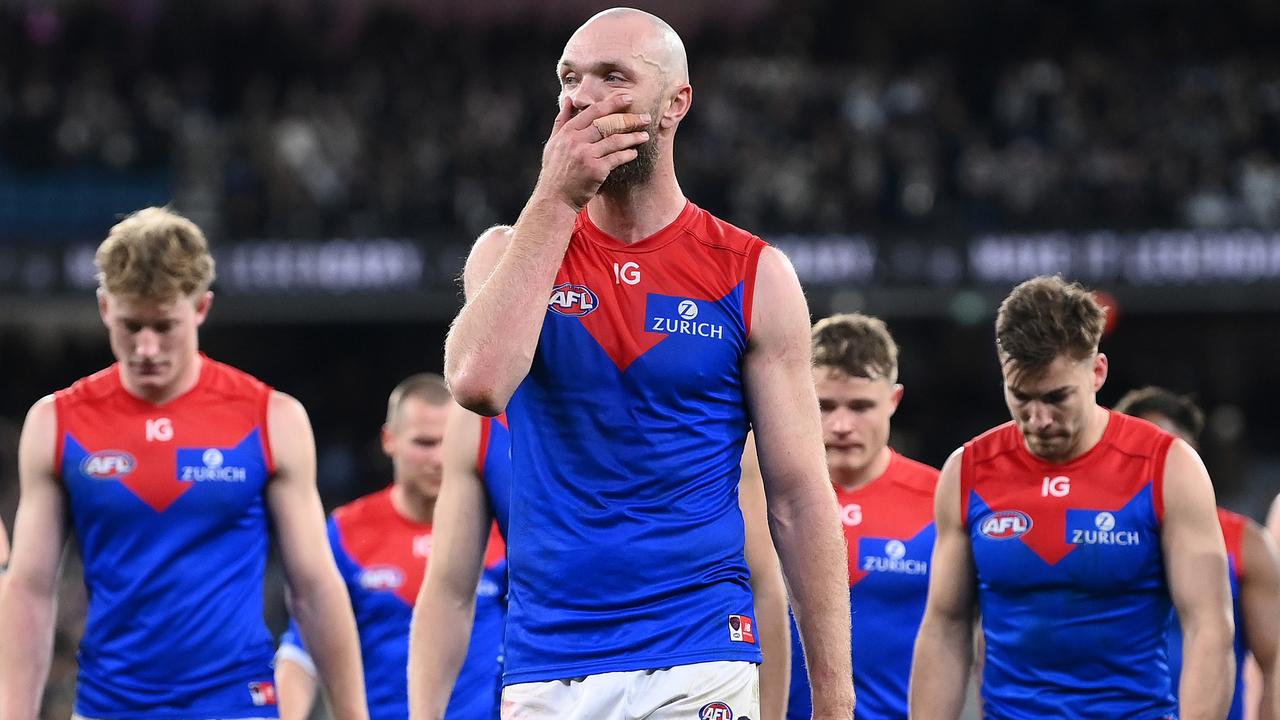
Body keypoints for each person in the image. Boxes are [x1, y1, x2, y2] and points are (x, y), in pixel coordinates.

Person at [442, 7, 852, 718]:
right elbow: (479, 381)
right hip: (548, 657)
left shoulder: (753, 274)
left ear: (676, 104)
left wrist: (836, 699)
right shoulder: (510, 253)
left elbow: (799, 498)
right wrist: (555, 196)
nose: (582, 98)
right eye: (570, 80)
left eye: (613, 78)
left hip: (700, 648)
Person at [0, 207, 367, 720]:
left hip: (238, 705)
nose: (146, 347)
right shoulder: (57, 422)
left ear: (201, 308)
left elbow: (313, 586)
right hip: (111, 707)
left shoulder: (271, 418)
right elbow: (31, 588)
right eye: (131, 326)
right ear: (105, 307)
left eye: (164, 325)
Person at [910, 274, 1234, 719]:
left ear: (1097, 372)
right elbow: (945, 627)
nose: (1038, 419)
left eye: (1057, 397)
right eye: (1020, 397)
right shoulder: (968, 471)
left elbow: (1209, 627)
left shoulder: (1167, 467)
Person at [408, 402, 791, 720]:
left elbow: (761, 581)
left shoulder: (705, 391)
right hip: (547, 674)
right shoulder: (478, 416)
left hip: (691, 656)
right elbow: (449, 591)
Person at [276, 374, 507, 720]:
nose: (440, 458)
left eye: (450, 442)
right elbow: (304, 647)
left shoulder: (501, 529)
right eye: (425, 443)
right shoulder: (348, 530)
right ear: (389, 441)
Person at [787, 314, 939, 720]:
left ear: (894, 400)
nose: (841, 425)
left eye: (860, 406)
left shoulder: (941, 500)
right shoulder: (764, 497)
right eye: (825, 405)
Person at [1115, 386, 1280, 720]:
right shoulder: (1084, 538)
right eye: (1145, 452)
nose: (1160, 465)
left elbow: (1274, 664)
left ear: (1193, 456)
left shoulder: (1244, 542)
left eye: (1171, 451)